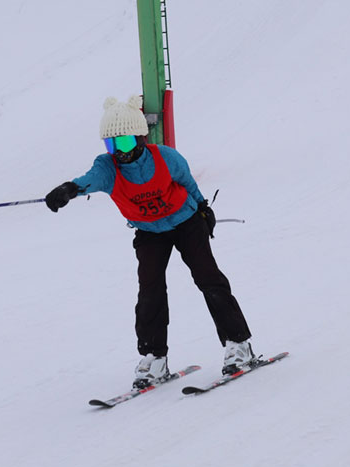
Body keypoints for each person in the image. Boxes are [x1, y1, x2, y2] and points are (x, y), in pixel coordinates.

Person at [45, 95, 254, 389]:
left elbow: (188, 184)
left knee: (208, 278)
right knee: (150, 291)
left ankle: (238, 344)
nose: (119, 152)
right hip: (149, 232)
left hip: (186, 222)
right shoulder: (108, 168)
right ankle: (154, 358)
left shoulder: (166, 158)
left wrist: (203, 208)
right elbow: (87, 180)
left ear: (141, 137)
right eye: (112, 145)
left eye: (125, 142)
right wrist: (68, 190)